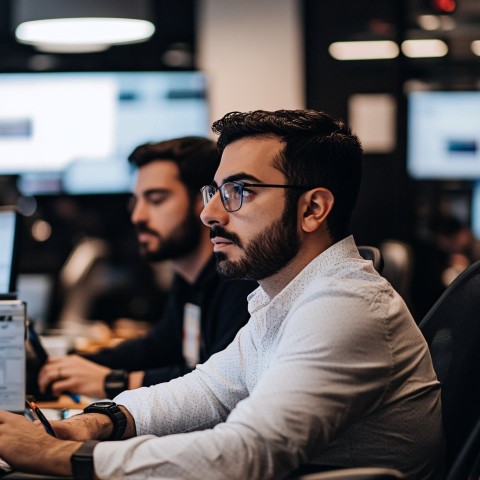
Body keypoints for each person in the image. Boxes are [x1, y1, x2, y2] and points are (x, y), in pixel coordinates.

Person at [0, 110, 443, 479]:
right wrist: (91, 425)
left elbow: (245, 453)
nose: (209, 212)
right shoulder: (286, 298)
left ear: (312, 209)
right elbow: (208, 391)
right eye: (215, 191)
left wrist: (53, 455)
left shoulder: (345, 307)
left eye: (239, 192)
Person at [37, 136, 256, 399]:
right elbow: (157, 347)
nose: (137, 216)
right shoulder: (188, 279)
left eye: (155, 199)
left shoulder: (240, 280)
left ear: (204, 201)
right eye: (136, 201)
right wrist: (69, 363)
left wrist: (114, 382)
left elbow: (220, 385)